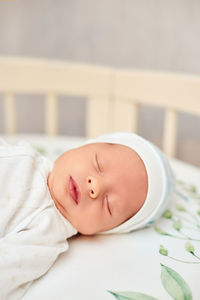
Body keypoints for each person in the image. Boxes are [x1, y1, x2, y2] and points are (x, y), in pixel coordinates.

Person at [0, 132, 175, 299]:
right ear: (83, 147)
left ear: (107, 230)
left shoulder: (44, 239)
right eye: (98, 163)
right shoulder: (22, 154)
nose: (95, 186)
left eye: (109, 205)